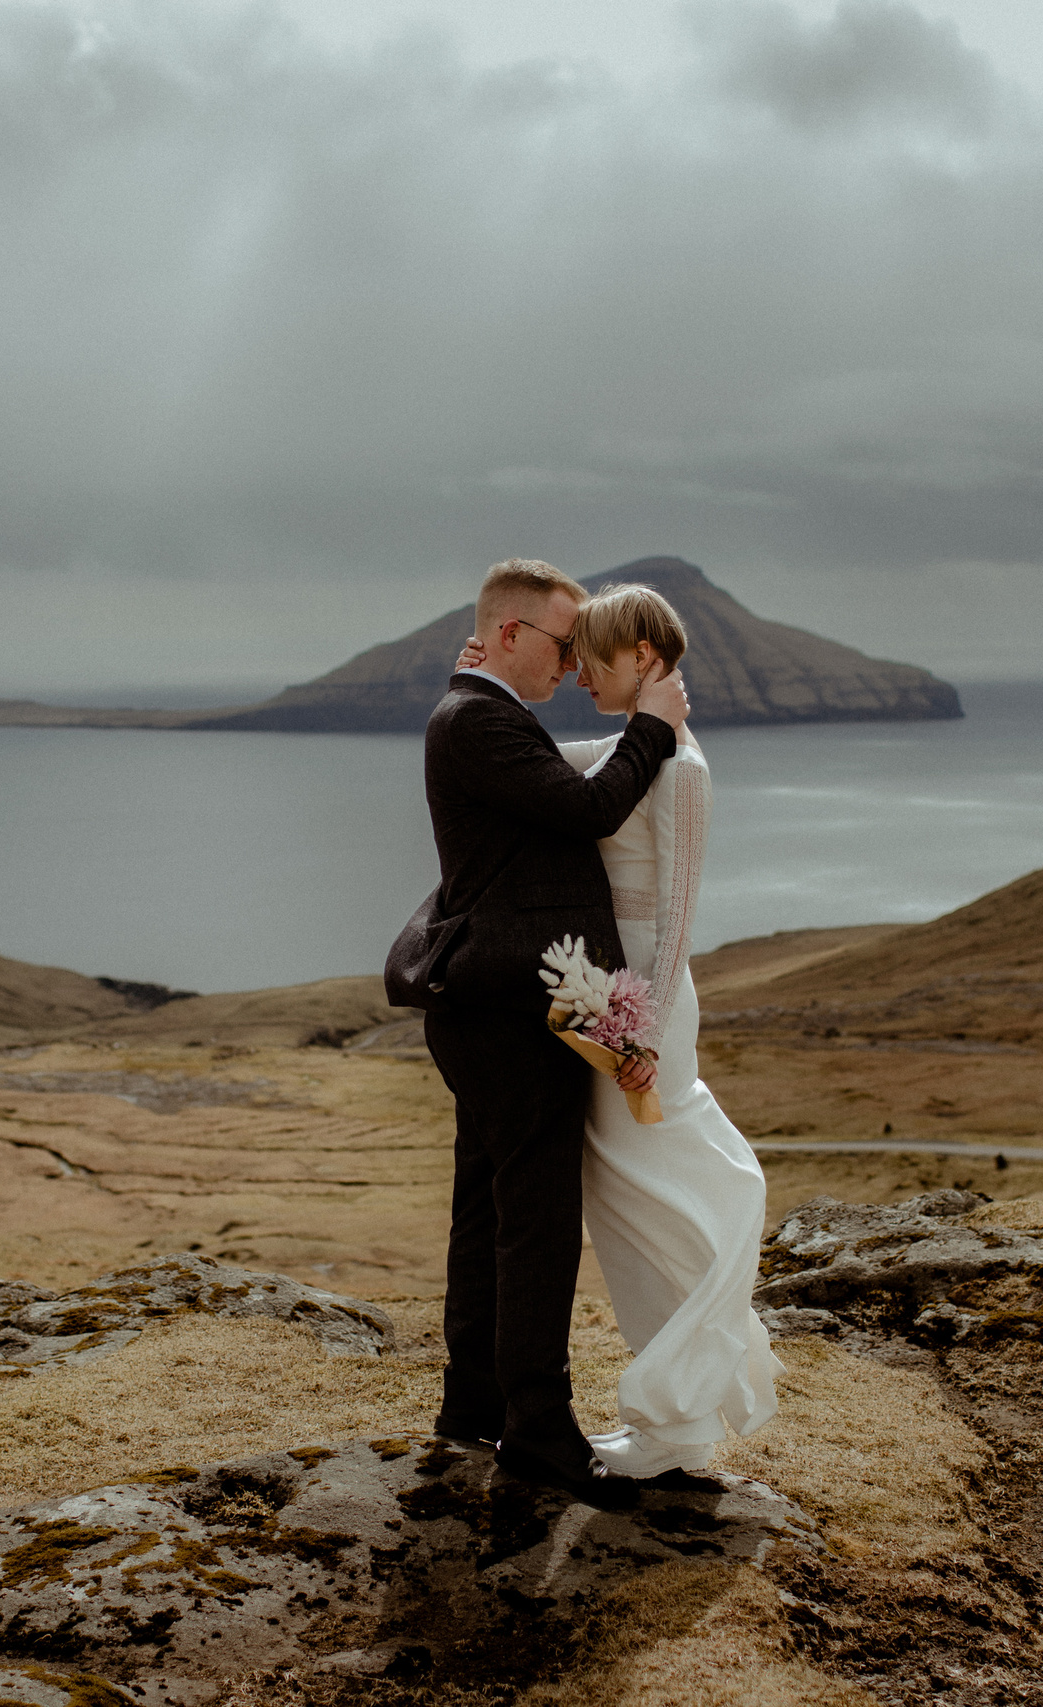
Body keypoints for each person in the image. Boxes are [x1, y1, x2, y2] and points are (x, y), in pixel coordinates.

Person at [454, 583, 781, 1479]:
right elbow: (545, 766)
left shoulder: (684, 769)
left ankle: (678, 1419)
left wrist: (645, 1037)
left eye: (594, 657)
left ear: (641, 656)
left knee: (656, 1196)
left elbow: (675, 918)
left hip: (642, 1013)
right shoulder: (642, 744)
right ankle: (676, 1415)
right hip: (609, 1003)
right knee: (627, 1208)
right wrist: (480, 688)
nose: (579, 671)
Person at [397, 557, 692, 1508]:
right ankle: (537, 1430)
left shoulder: (478, 714)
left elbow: (559, 787)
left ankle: (473, 1404)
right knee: (536, 1225)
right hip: (510, 1018)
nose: (573, 666)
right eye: (565, 646)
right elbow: (590, 804)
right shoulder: (478, 720)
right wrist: (655, 724)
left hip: (490, 1010)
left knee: (487, 1215)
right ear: (513, 636)